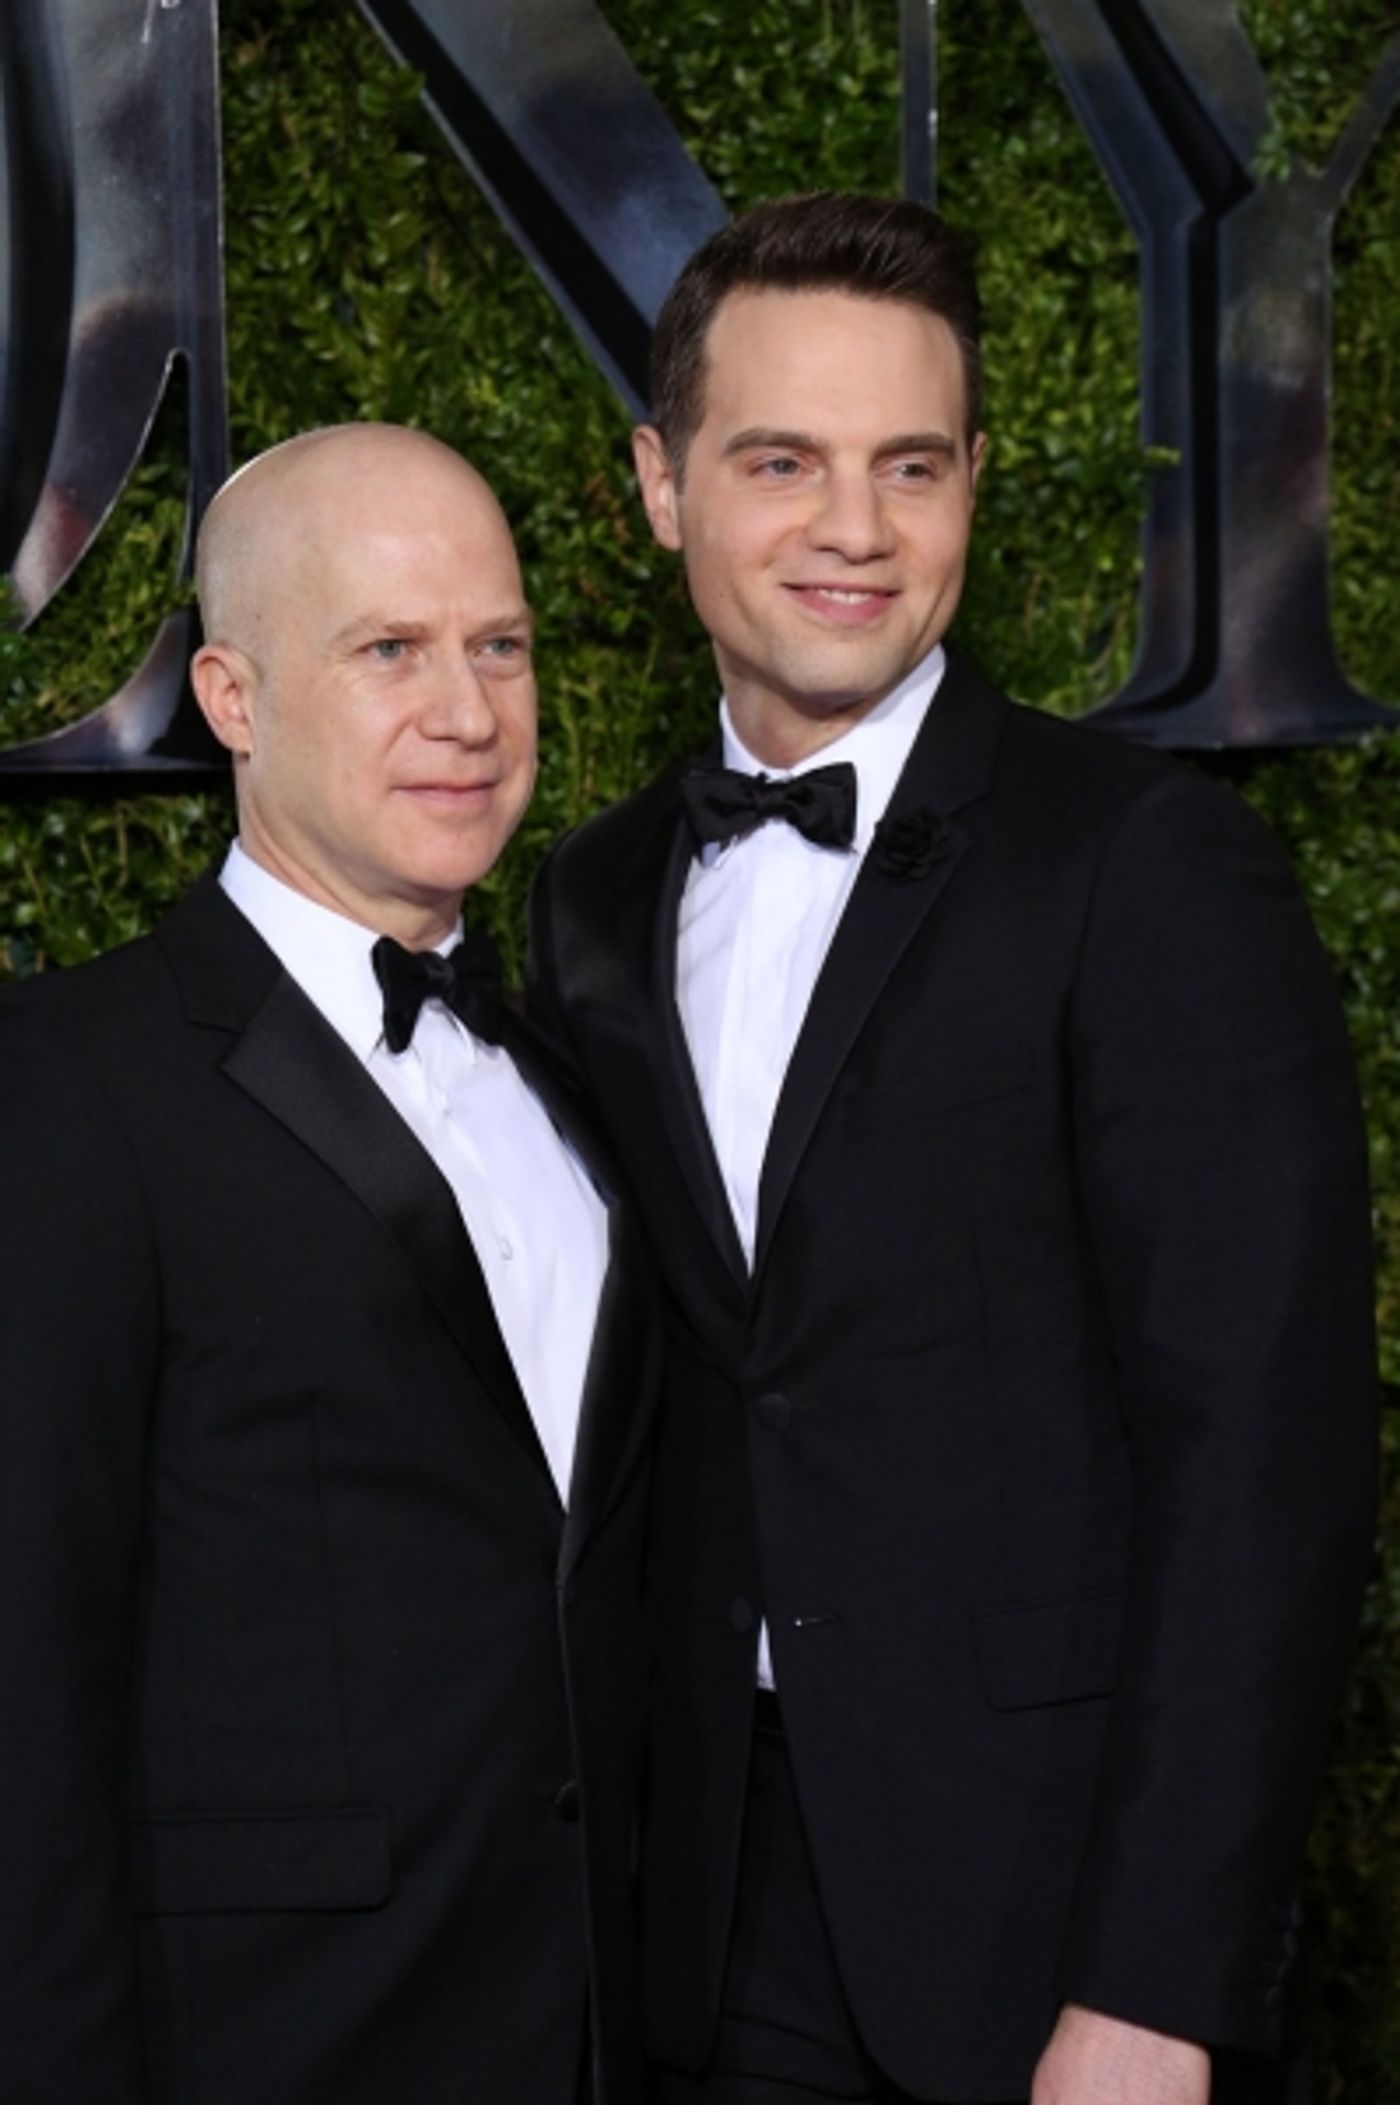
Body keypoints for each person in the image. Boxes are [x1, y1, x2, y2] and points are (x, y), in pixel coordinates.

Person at [526, 195, 1378, 2104]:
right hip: (704, 1916)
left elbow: (1267, 1457)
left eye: (910, 465)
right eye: (783, 462)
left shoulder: (1142, 866)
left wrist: (1159, 1986)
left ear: (973, 487)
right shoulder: (590, 898)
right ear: (660, 487)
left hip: (1049, 1919)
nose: (855, 527)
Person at [0, 423, 656, 2105]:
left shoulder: (575, 1068)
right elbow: (28, 1682)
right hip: (275, 2041)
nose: (469, 712)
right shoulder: (73, 1085)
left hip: (611, 2029)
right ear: (232, 697)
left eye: (499, 645)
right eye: (389, 650)